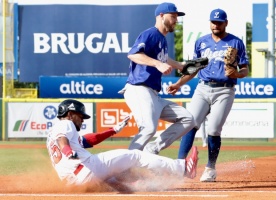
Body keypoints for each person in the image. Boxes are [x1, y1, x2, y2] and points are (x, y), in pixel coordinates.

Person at [167, 8, 249, 182]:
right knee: (189, 123)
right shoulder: (201, 42)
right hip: (203, 88)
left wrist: (237, 74)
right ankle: (180, 165)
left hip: (225, 89)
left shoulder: (236, 42)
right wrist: (178, 84)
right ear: (210, 22)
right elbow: (194, 69)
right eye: (213, 22)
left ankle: (210, 168)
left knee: (213, 129)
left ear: (226, 23)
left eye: (219, 22)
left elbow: (245, 69)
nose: (216, 25)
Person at [46, 99, 198, 188]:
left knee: (120, 181)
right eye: (80, 116)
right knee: (136, 155)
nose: (83, 119)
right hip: (87, 169)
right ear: (70, 114)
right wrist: (67, 151)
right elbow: (62, 140)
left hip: (75, 182)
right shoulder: (66, 124)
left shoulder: (51, 135)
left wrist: (113, 130)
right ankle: (182, 168)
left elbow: (87, 141)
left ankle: (147, 186)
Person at [118, 2, 196, 154]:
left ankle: (152, 149)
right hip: (139, 88)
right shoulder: (151, 34)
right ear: (161, 16)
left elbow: (164, 58)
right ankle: (125, 167)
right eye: (173, 16)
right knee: (148, 128)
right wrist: (157, 64)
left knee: (187, 119)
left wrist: (180, 65)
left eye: (176, 17)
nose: (176, 20)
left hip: (153, 94)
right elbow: (133, 54)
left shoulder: (162, 39)